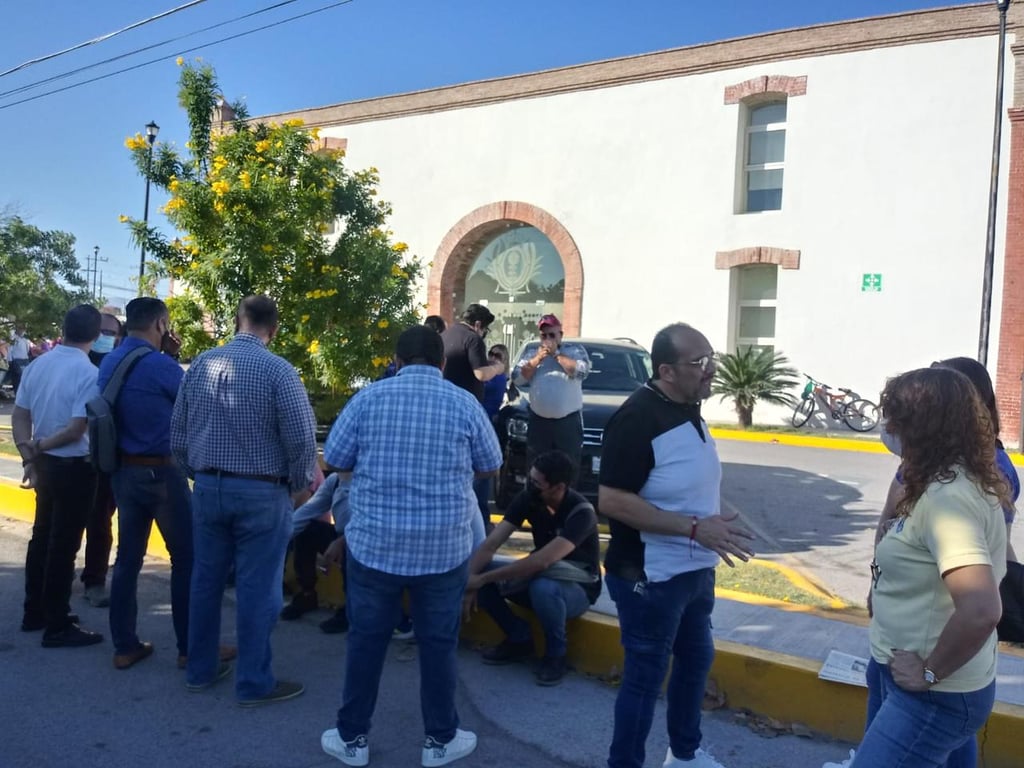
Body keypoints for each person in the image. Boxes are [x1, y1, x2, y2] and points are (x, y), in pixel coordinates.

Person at [319, 324, 502, 768]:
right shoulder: (465, 403)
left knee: (366, 642)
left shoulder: (368, 399)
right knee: (438, 645)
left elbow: (336, 459)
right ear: (441, 363)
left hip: (374, 546)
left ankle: (352, 739)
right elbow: (490, 465)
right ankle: (440, 741)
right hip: (443, 551)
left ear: (396, 362)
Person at [599, 322, 755, 768]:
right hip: (650, 577)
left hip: (694, 572)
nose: (711, 369)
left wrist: (708, 525)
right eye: (699, 362)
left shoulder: (687, 406)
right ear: (666, 371)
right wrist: (694, 528)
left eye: (712, 358)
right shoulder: (637, 418)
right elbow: (612, 500)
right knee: (644, 680)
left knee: (696, 661)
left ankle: (684, 756)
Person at [848, 367, 1008, 766]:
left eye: (895, 418)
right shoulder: (937, 478)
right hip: (904, 670)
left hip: (933, 692)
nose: (887, 428)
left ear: (922, 426)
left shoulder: (948, 499)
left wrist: (930, 672)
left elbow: (981, 609)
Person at [171, 295, 317, 706]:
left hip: (208, 487)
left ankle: (200, 670)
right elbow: (301, 440)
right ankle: (254, 683)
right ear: (274, 328)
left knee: (205, 581)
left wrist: (198, 474)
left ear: (237, 320)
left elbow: (177, 434)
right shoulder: (279, 370)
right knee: (257, 588)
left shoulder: (202, 364)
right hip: (261, 491)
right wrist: (298, 484)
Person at [99, 298, 195, 671]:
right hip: (162, 474)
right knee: (186, 558)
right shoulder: (160, 366)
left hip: (124, 472)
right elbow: (191, 405)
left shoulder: (111, 361)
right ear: (160, 324)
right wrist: (172, 358)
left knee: (128, 559)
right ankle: (190, 648)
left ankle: (125, 646)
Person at [466, 450, 601, 686]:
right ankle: (518, 637)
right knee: (481, 568)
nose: (530, 486)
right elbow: (491, 544)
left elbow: (542, 561)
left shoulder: (581, 513)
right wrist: (470, 581)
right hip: (539, 576)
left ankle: (556, 655)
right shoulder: (529, 499)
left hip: (576, 588)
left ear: (558, 487)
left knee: (544, 588)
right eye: (531, 479)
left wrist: (483, 579)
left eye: (537, 483)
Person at [13, 305, 105, 647]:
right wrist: (38, 447)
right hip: (73, 466)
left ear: (63, 330)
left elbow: (20, 415)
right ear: (96, 335)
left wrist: (30, 455)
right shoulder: (89, 373)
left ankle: (34, 611)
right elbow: (76, 429)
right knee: (63, 545)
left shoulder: (39, 365)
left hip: (46, 465)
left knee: (42, 537)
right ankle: (57, 623)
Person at [80, 312, 124, 608]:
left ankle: (94, 580)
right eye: (101, 332)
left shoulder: (117, 365)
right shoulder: (82, 365)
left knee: (99, 521)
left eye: (111, 332)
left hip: (106, 456)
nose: (105, 338)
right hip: (76, 454)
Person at [511, 314, 590, 475]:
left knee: (568, 469)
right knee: (536, 469)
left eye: (552, 335)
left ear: (560, 335)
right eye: (544, 336)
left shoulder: (574, 351)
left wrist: (556, 355)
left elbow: (582, 372)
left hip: (567, 423)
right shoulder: (532, 353)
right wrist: (537, 359)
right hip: (539, 423)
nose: (548, 339)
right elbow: (517, 378)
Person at [282, 470, 353, 634]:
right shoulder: (335, 480)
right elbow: (308, 510)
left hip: (365, 540)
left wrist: (342, 541)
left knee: (354, 550)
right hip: (340, 534)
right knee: (307, 530)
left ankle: (351, 609)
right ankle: (307, 594)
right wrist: (278, 538)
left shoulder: (371, 479)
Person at [441, 303, 504, 402]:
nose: (483, 333)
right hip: (466, 401)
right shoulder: (473, 339)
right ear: (478, 324)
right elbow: (481, 374)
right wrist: (497, 368)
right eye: (485, 329)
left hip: (445, 396)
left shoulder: (444, 335)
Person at [7, 323, 31, 395]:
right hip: (17, 360)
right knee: (18, 378)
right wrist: (10, 360)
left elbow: (27, 349)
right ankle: (18, 394)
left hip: (25, 360)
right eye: (21, 329)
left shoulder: (25, 339)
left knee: (25, 378)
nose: (22, 331)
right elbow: (9, 349)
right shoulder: (13, 338)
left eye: (23, 329)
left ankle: (23, 394)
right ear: (17, 329)